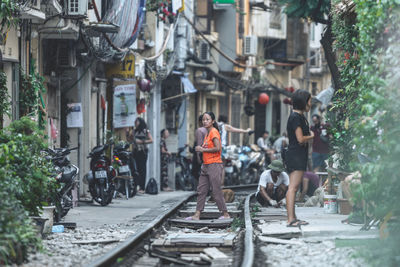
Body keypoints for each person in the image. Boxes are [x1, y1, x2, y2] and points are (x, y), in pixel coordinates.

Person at [186, 112, 230, 220]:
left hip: (214, 164)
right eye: (203, 120)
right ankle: (197, 214)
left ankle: (225, 214)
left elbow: (218, 148)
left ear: (213, 121)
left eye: (207, 119)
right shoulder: (207, 133)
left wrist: (202, 149)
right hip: (206, 165)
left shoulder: (214, 132)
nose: (204, 121)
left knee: (216, 190)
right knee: (201, 190)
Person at [285, 89, 314, 227]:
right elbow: (300, 139)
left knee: (294, 187)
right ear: (303, 102)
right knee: (293, 187)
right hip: (296, 155)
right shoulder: (296, 117)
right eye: (309, 100)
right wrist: (312, 136)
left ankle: (293, 217)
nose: (311, 103)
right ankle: (290, 219)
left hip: (298, 155)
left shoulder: (300, 117)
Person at [132, 117, 153, 194]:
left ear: (140, 122)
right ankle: (135, 186)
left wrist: (141, 142)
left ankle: (142, 187)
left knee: (142, 169)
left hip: (142, 152)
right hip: (135, 151)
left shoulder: (145, 131)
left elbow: (151, 140)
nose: (135, 123)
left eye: (137, 122)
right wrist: (127, 133)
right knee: (135, 169)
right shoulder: (134, 131)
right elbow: (130, 140)